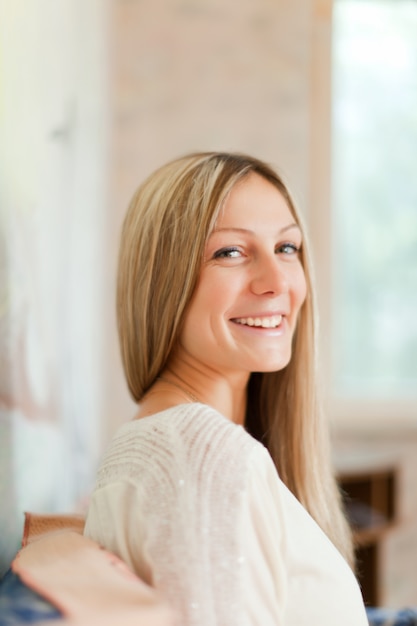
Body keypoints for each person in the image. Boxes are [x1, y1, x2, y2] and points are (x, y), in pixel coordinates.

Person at [84, 151, 368, 625]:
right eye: (230, 252)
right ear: (163, 282)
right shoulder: (203, 458)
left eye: (287, 248)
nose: (278, 282)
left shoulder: (182, 444)